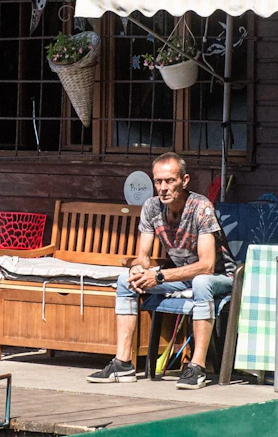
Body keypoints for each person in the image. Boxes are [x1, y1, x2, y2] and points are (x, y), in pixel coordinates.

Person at [88, 152, 230, 389]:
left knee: (201, 282)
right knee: (125, 280)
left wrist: (160, 275)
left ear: (184, 181)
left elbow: (207, 265)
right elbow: (143, 256)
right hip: (180, 275)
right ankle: (123, 363)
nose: (163, 188)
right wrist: (137, 269)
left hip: (219, 277)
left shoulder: (201, 207)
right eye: (158, 181)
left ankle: (197, 367)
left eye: (169, 181)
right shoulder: (152, 207)